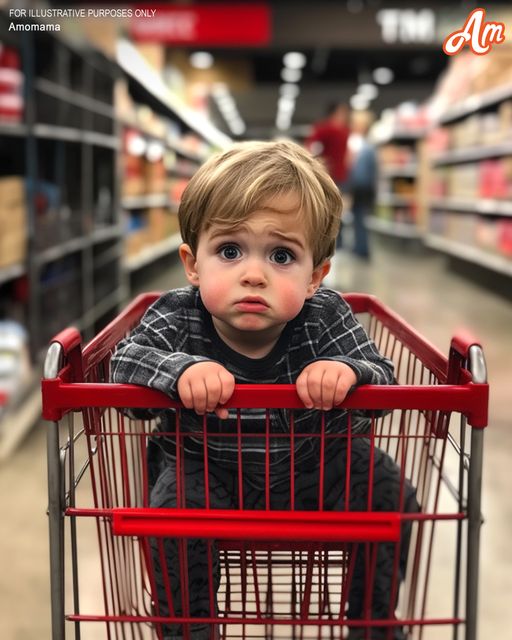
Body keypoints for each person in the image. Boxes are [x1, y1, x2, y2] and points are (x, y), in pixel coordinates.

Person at [111, 140, 417, 640]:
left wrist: (347, 370)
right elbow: (123, 361)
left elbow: (381, 374)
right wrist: (179, 370)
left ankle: (372, 622)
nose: (253, 274)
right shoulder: (177, 314)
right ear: (193, 263)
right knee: (168, 511)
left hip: (315, 467)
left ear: (316, 275)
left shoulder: (324, 316)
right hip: (210, 469)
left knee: (390, 490)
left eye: (281, 255)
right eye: (229, 251)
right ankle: (188, 629)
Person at [346, 113, 377, 259]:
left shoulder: (365, 146)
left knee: (360, 218)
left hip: (361, 187)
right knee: (357, 218)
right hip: (358, 186)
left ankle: (362, 249)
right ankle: (358, 247)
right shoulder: (363, 145)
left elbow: (363, 171)